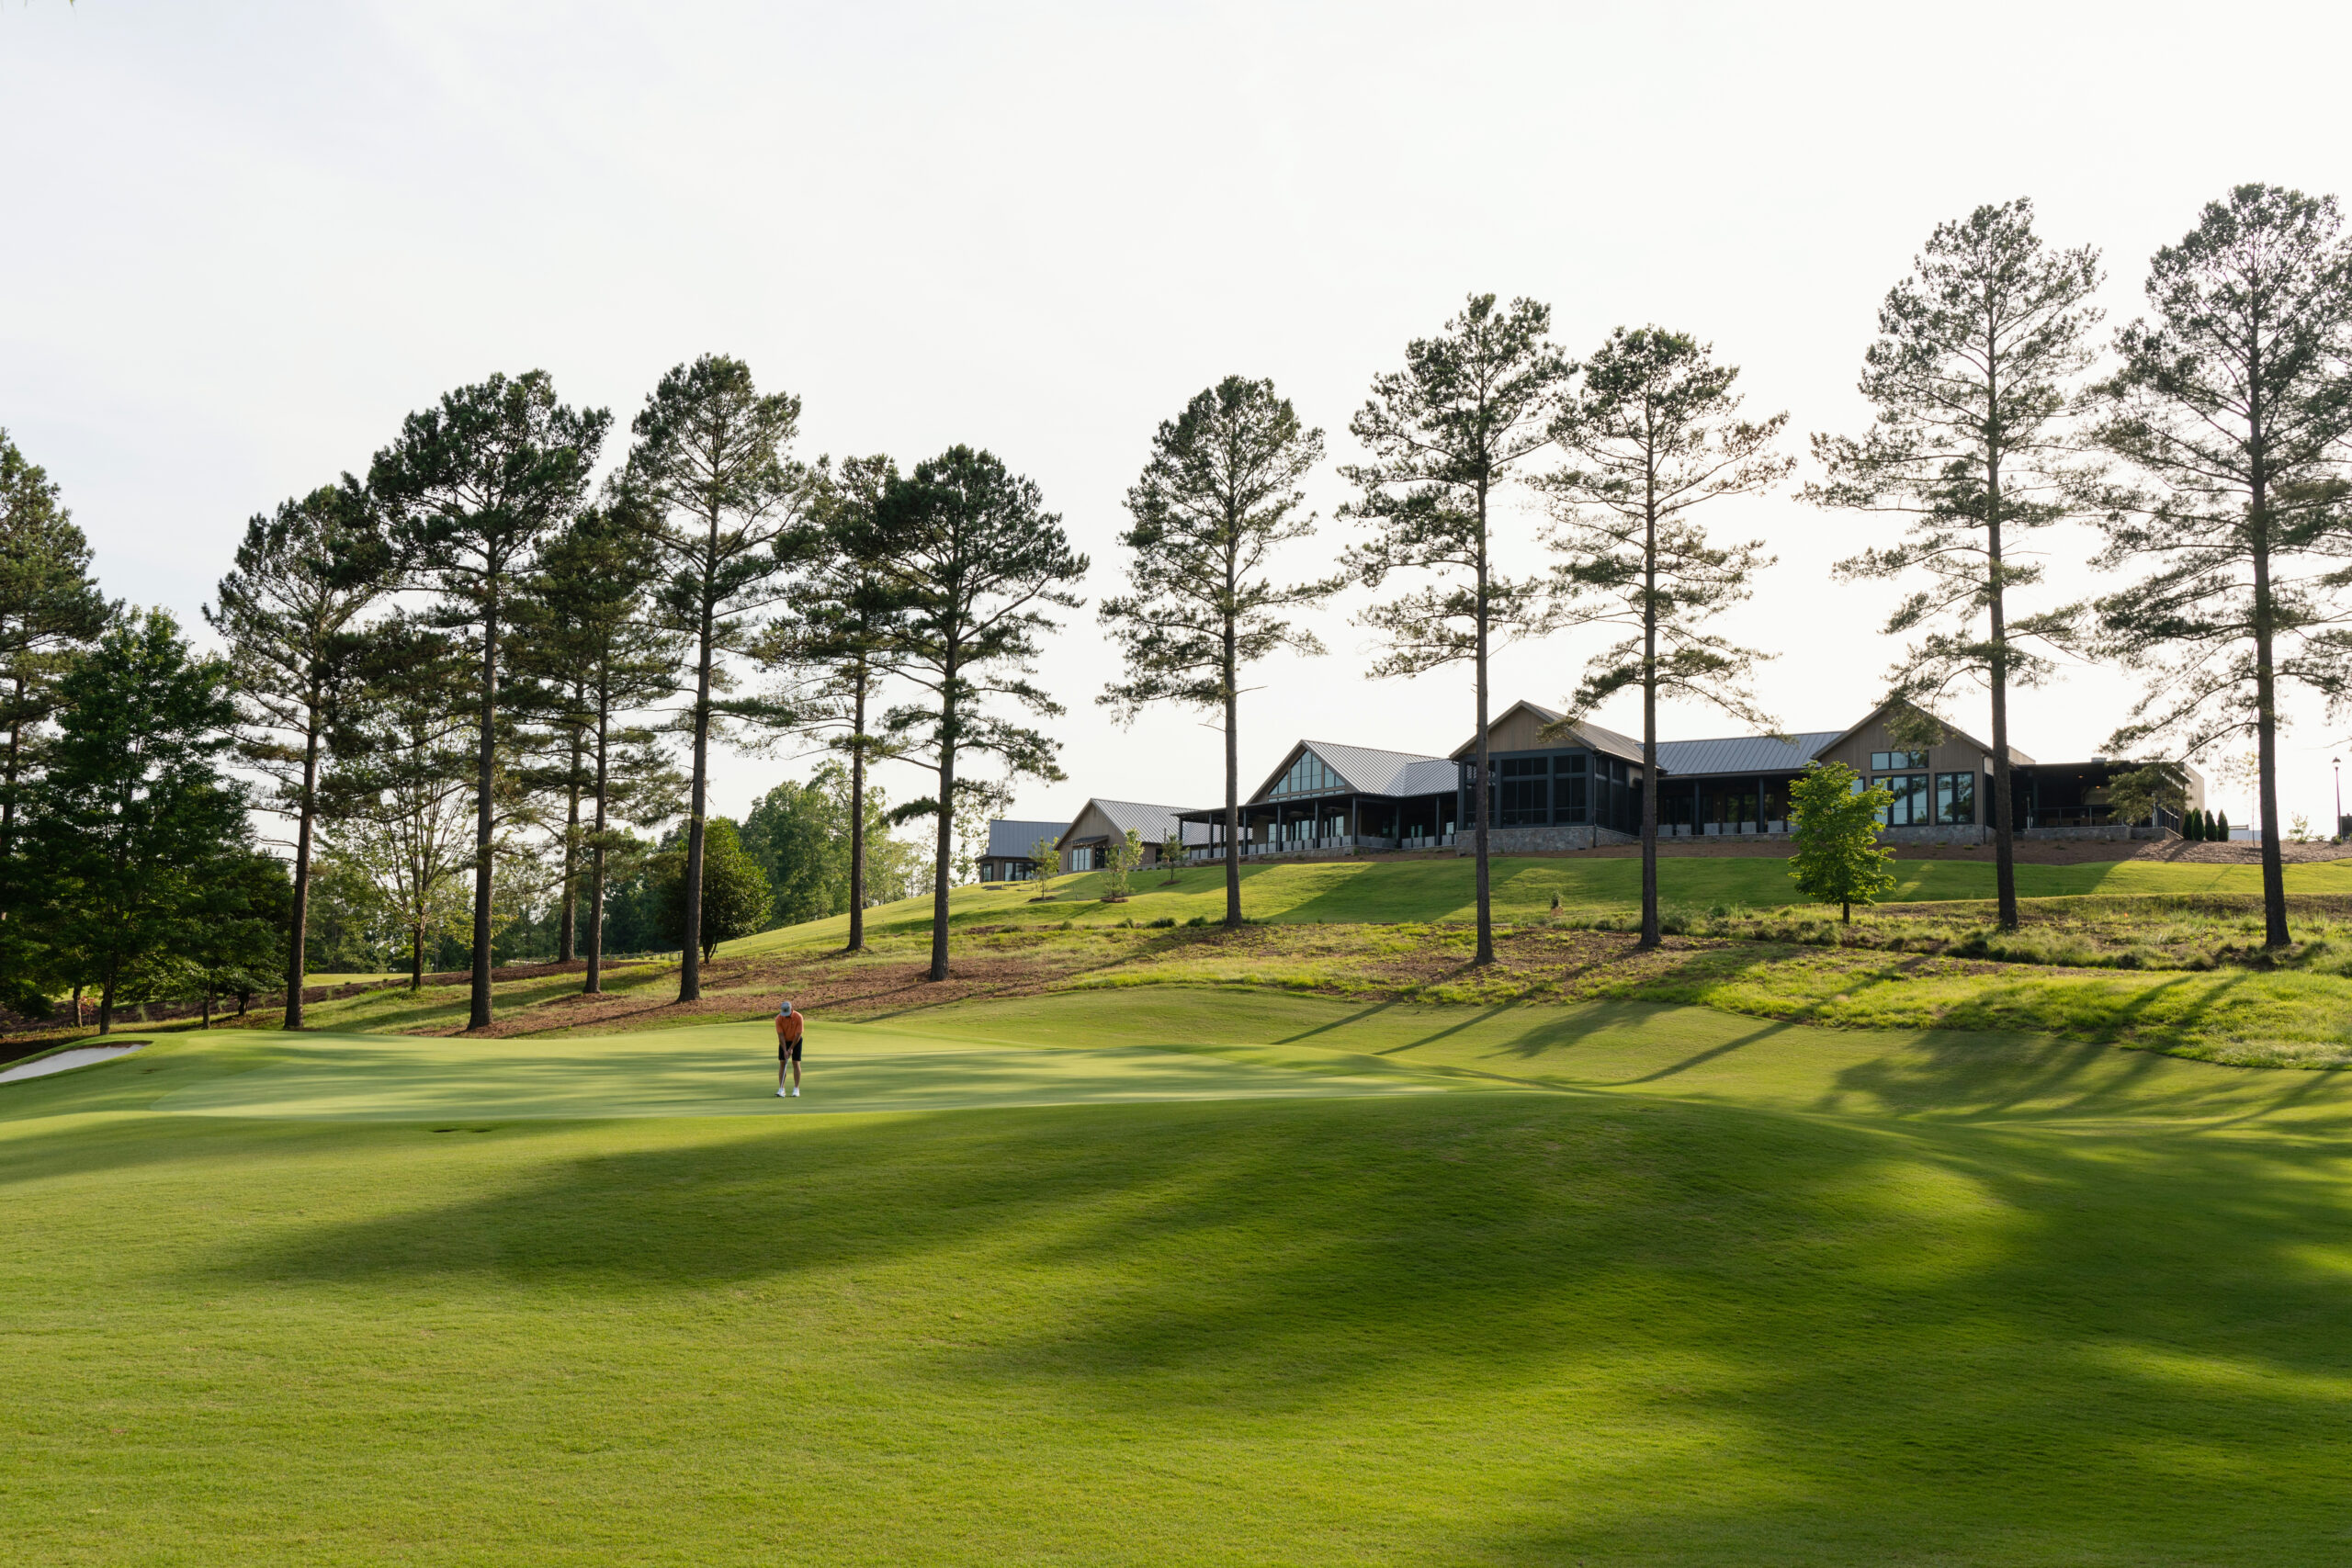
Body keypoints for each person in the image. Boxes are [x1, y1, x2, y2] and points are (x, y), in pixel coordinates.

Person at [775, 1001, 804, 1098]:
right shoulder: (778, 1018)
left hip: (796, 1040)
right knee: (782, 1062)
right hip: (784, 1041)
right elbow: (781, 1035)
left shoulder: (798, 1017)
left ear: (792, 1009)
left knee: (795, 1063)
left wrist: (791, 1048)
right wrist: (785, 1050)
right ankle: (781, 1089)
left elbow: (798, 1035)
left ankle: (796, 1089)